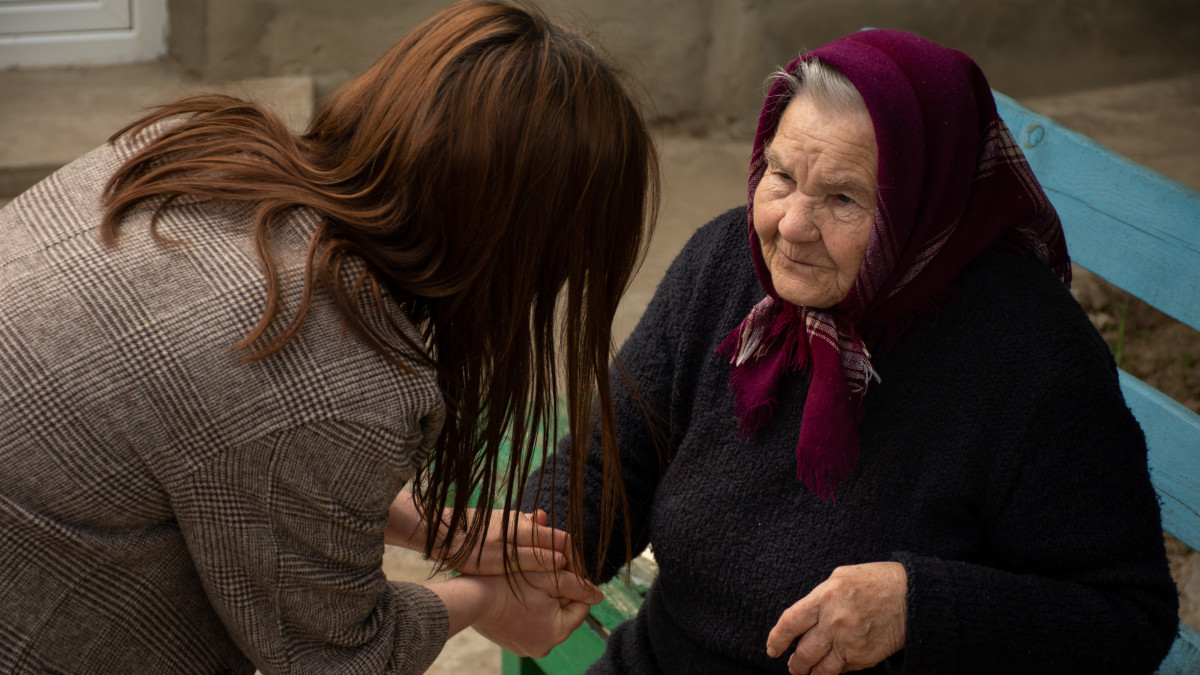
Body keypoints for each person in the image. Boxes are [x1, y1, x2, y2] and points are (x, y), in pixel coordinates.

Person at [0, 1, 657, 672]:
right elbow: (336, 658)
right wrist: (485, 602)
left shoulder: (195, 147)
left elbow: (225, 454)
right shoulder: (332, 372)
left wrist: (435, 527)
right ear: (518, 248)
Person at [523, 28, 1180, 674]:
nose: (791, 226)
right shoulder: (727, 265)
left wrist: (916, 609)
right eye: (781, 175)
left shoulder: (1032, 359)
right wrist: (534, 553)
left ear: (922, 202)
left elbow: (1128, 617)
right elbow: (610, 461)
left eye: (842, 198)